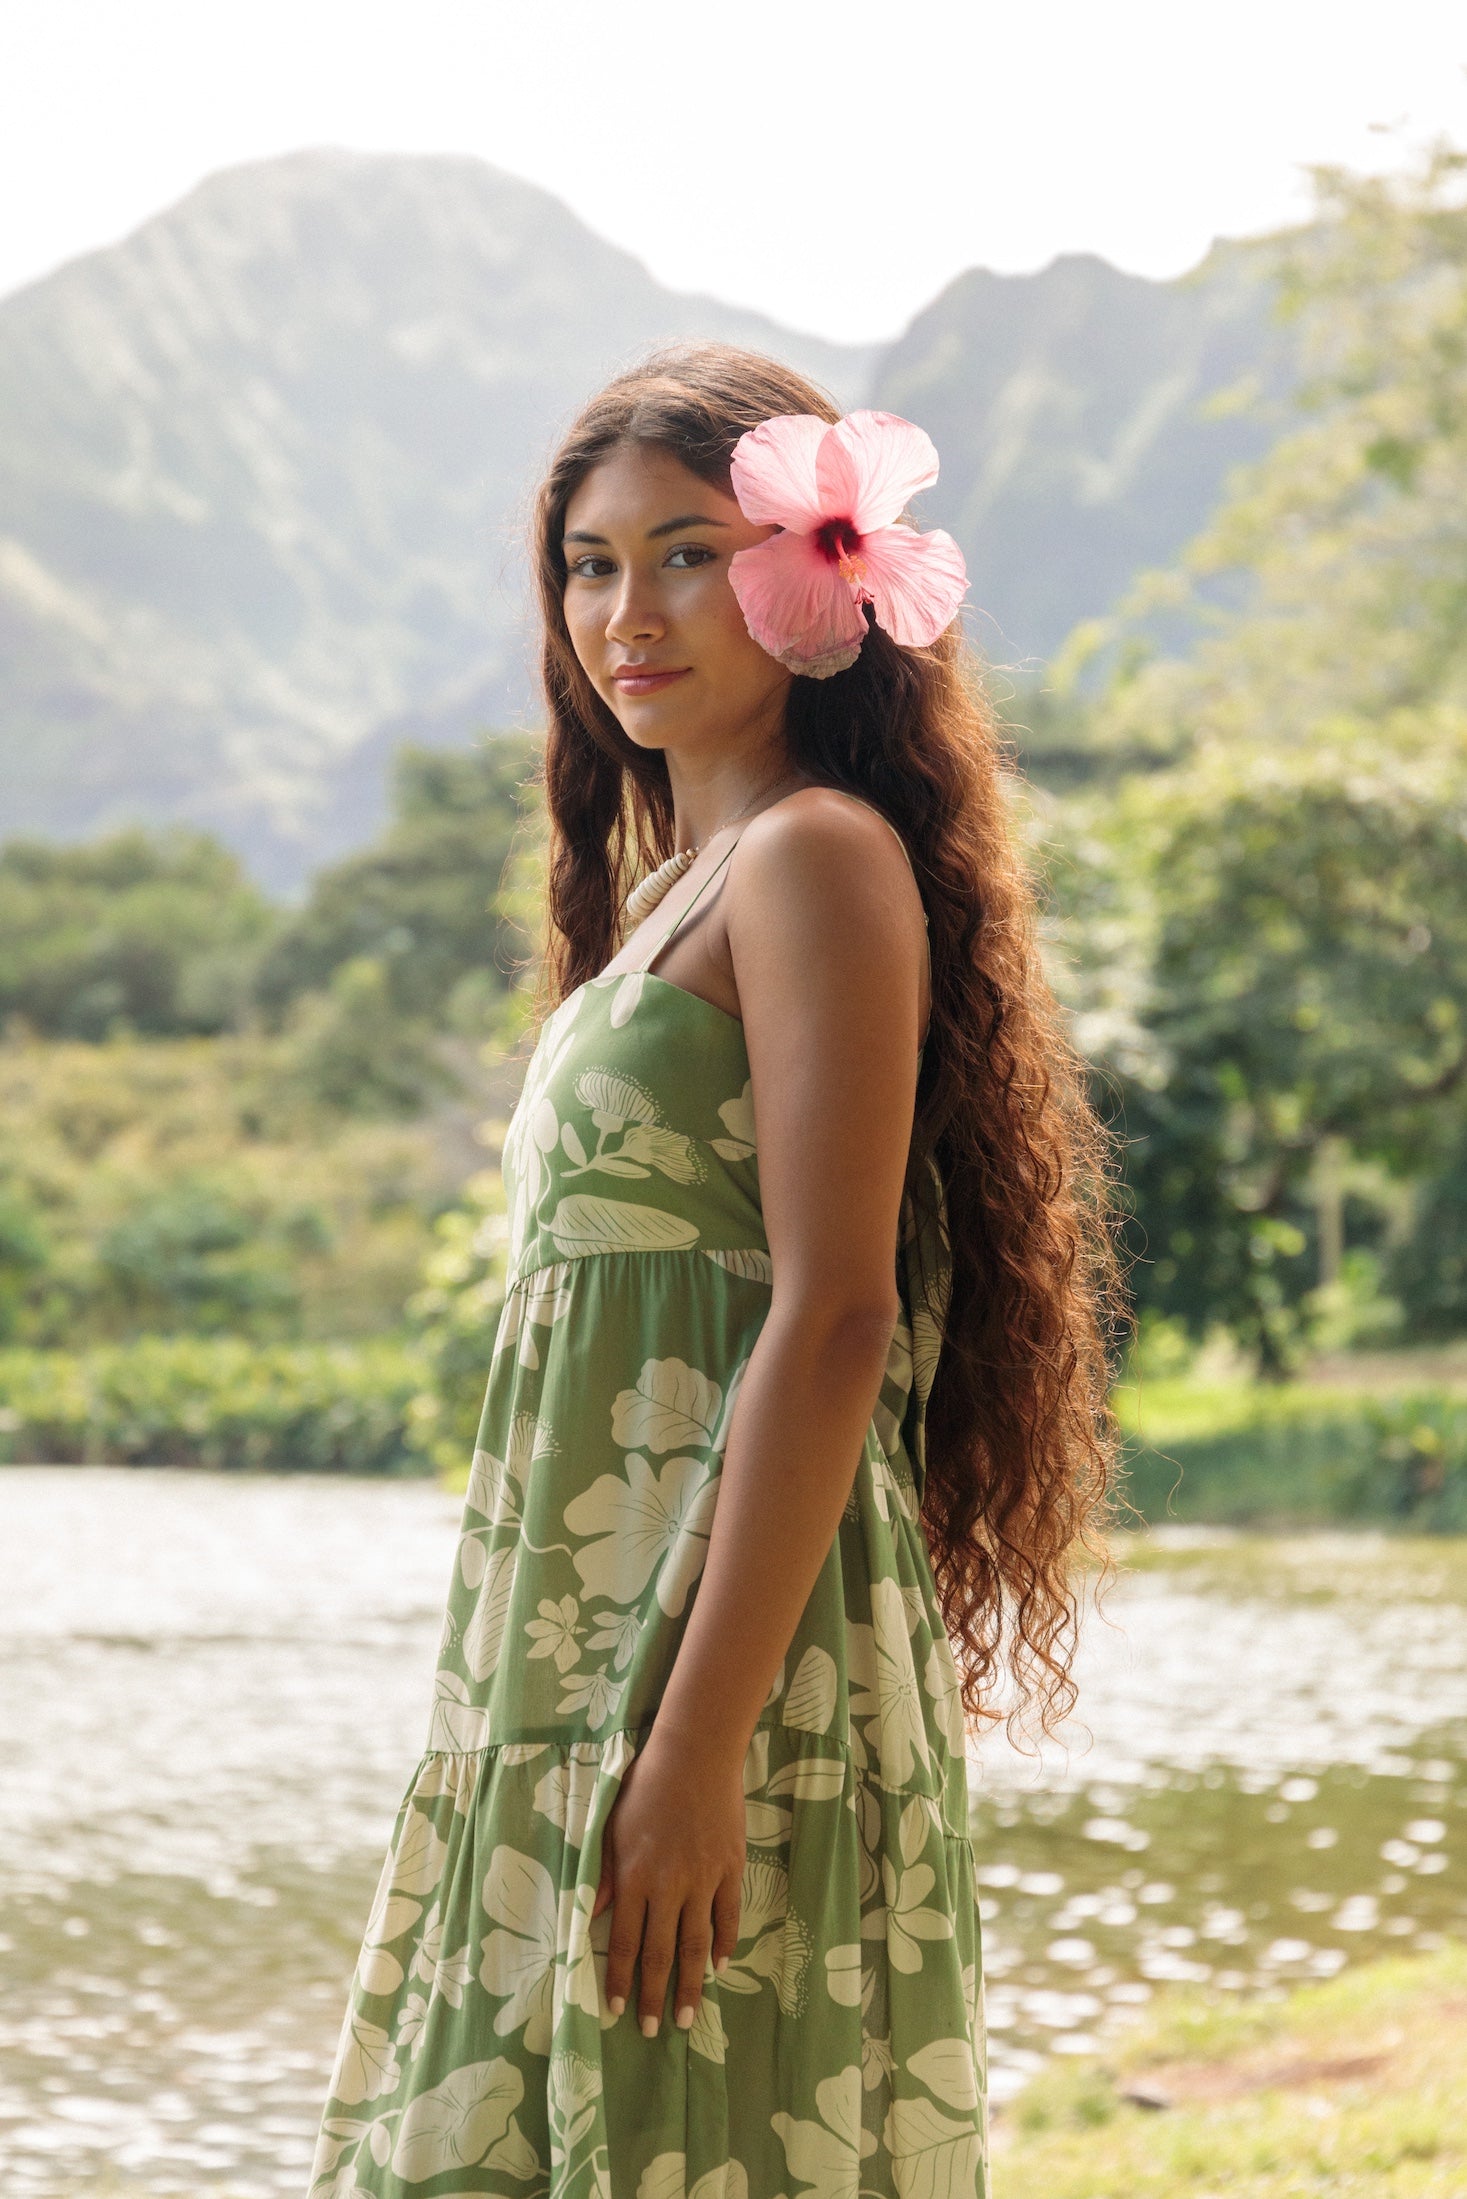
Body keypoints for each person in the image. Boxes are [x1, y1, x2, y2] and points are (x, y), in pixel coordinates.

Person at [308, 344, 1126, 2198]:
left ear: (810, 580)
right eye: (588, 567)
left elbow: (835, 1319)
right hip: (579, 1631)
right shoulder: (674, 886)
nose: (627, 614)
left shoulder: (816, 860)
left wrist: (691, 1751)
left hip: (719, 1657)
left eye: (683, 554)